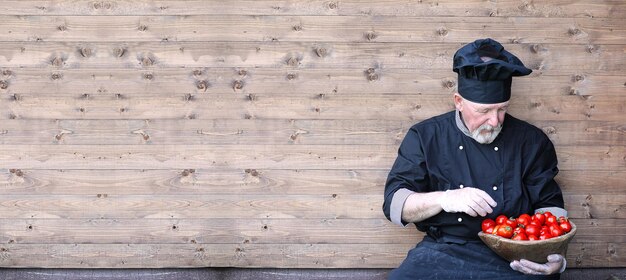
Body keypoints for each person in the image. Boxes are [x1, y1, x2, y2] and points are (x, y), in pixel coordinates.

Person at [382, 38, 568, 279]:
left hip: (515, 251)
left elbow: (550, 207)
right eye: (484, 111)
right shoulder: (426, 136)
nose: (495, 121)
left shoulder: (531, 141)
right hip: (444, 251)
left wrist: (556, 256)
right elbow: (395, 204)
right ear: (458, 102)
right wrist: (445, 198)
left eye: (502, 109)